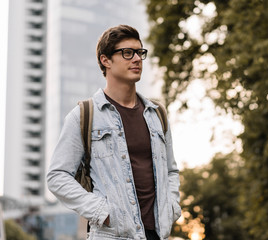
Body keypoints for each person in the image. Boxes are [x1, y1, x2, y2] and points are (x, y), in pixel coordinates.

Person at [47, 24, 181, 240]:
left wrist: (172, 207)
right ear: (105, 60)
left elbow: (171, 171)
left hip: (157, 234)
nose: (137, 59)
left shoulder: (157, 114)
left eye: (140, 52)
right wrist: (103, 212)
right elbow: (56, 176)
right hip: (112, 235)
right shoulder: (84, 115)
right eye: (127, 53)